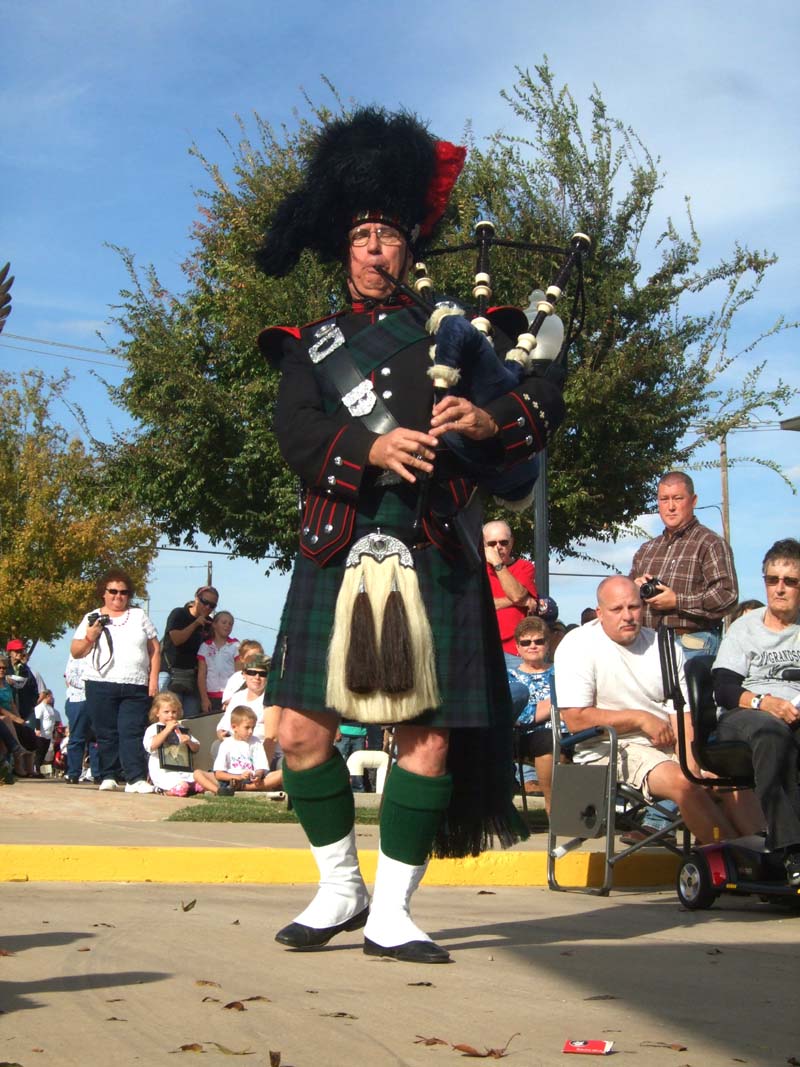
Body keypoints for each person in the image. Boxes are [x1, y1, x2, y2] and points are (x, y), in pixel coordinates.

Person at [255, 108, 565, 963]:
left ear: (408, 246)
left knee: (424, 736)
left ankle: (392, 909)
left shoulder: (462, 336)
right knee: (297, 733)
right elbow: (298, 436)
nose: (373, 248)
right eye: (360, 234)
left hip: (434, 547)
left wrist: (486, 419)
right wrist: (370, 445)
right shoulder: (310, 348)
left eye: (387, 233)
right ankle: (337, 886)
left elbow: (535, 404)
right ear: (342, 248)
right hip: (337, 545)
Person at [554, 575, 738, 844]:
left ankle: (766, 859)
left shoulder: (664, 646)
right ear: (600, 613)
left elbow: (682, 716)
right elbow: (576, 720)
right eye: (617, 609)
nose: (627, 616)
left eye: (634, 607)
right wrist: (640, 719)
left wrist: (694, 766)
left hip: (667, 746)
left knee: (732, 783)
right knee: (685, 784)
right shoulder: (578, 644)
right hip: (608, 747)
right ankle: (733, 859)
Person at [712, 538, 800, 884]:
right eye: (772, 579)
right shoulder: (744, 629)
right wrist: (767, 703)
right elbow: (724, 687)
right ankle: (791, 849)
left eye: (789, 581)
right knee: (771, 732)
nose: (779, 589)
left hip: (793, 713)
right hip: (746, 715)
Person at [70, 568, 160, 793]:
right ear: (104, 593)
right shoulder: (92, 618)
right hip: (100, 682)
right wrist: (91, 636)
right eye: (113, 591)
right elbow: (76, 651)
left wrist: (153, 680)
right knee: (106, 731)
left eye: (124, 592)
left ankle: (135, 778)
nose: (118, 596)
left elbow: (155, 649)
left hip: (135, 684)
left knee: (131, 730)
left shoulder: (139, 616)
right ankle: (108, 775)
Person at [630, 471, 738, 659]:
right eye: (664, 499)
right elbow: (624, 598)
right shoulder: (646, 549)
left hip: (691, 642)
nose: (670, 507)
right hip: (646, 644)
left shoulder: (710, 543)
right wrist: (633, 588)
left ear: (693, 501)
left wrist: (677, 601)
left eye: (677, 498)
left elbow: (727, 595)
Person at [483, 520, 557, 668]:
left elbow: (517, 595)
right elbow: (478, 604)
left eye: (503, 542)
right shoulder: (477, 570)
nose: (498, 547)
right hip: (483, 648)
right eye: (492, 544)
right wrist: (519, 600)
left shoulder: (524, 567)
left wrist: (498, 564)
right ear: (483, 545)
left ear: (511, 542)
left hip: (515, 651)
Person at [507, 617, 559, 812]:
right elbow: (519, 717)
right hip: (523, 737)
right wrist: (554, 703)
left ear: (548, 644)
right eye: (526, 642)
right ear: (517, 647)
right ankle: (552, 807)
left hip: (566, 731)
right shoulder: (509, 676)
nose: (533, 646)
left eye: (539, 641)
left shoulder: (562, 672)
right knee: (548, 740)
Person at [143, 692, 221, 796]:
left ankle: (200, 789)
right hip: (163, 771)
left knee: (200, 784)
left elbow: (196, 748)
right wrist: (166, 730)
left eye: (174, 712)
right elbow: (151, 746)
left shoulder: (181, 728)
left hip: (182, 768)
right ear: (157, 713)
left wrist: (188, 741)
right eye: (166, 712)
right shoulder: (153, 728)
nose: (170, 715)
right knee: (182, 788)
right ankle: (163, 790)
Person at [159, 586, 219, 717]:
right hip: (171, 675)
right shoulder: (179, 614)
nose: (207, 607)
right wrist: (196, 624)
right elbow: (176, 639)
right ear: (196, 599)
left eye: (212, 605)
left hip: (193, 679)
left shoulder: (209, 624)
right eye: (205, 602)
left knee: (190, 721)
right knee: (169, 717)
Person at [213, 706, 283, 792]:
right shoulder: (226, 744)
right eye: (247, 727)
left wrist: (257, 776)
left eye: (253, 728)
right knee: (198, 774)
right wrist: (239, 777)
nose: (250, 731)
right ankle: (218, 791)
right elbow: (218, 774)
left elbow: (260, 766)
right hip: (231, 779)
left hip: (250, 780)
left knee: (282, 774)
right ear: (234, 727)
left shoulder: (256, 742)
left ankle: (245, 787)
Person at [63, 654, 99, 784]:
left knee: (96, 738)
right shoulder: (76, 654)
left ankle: (98, 773)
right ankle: (73, 773)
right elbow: (70, 677)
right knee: (77, 737)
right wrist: (91, 686)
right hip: (78, 699)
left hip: (98, 700)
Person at [197, 611, 238, 714]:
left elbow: (239, 674)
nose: (227, 626)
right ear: (214, 625)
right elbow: (201, 675)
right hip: (211, 696)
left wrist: (234, 697)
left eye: (230, 624)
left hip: (230, 696)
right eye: (224, 622)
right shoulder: (205, 647)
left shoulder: (235, 646)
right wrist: (204, 699)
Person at [5, 638, 40, 728]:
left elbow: (34, 688)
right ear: (10, 653)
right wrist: (6, 679)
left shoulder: (25, 669)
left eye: (21, 650)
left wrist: (31, 705)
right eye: (16, 651)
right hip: (7, 710)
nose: (19, 653)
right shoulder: (3, 667)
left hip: (24, 710)